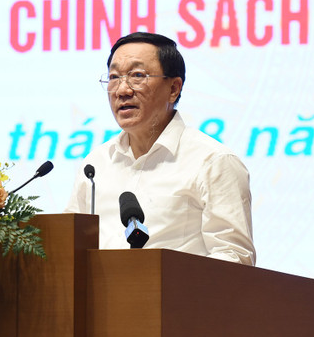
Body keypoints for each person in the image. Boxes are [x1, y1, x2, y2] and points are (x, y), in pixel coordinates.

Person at [65, 32, 256, 265]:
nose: (122, 90)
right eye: (114, 77)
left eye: (137, 75)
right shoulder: (96, 164)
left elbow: (234, 258)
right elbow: (69, 246)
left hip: (177, 300)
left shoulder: (212, 161)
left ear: (174, 88)